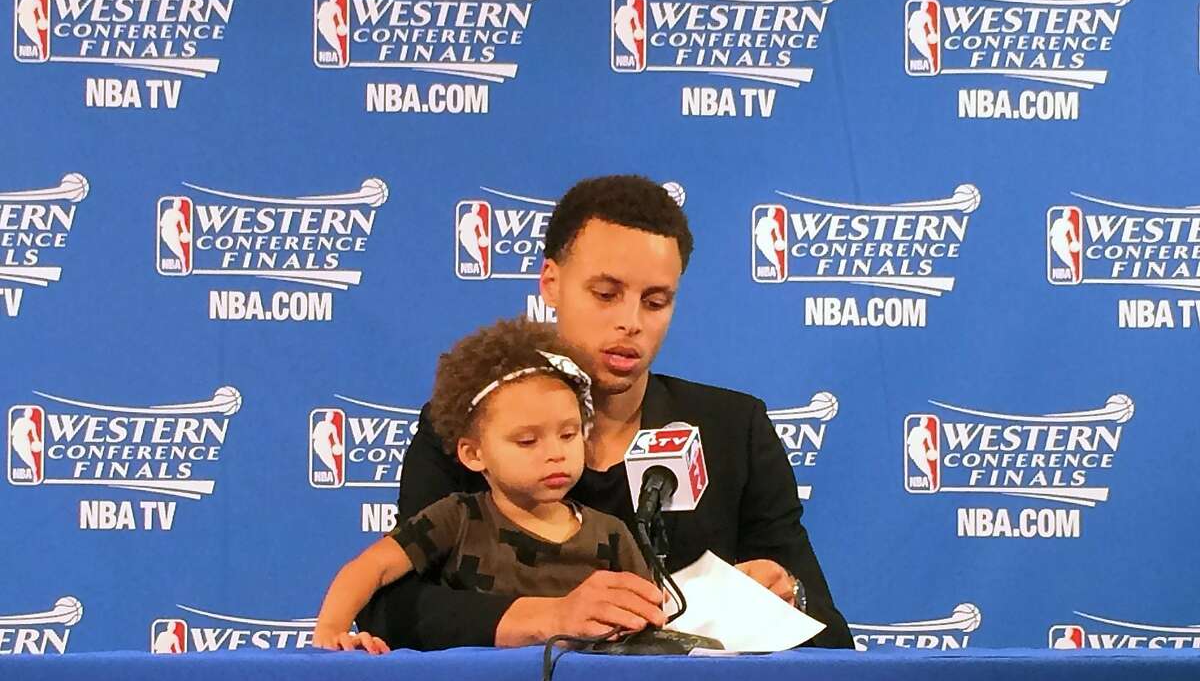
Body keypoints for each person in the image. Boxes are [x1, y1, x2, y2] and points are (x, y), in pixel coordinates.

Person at [355, 174, 853, 650]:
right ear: (550, 282)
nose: (630, 323)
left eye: (655, 302)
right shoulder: (469, 424)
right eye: (606, 294)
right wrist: (548, 618)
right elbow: (391, 607)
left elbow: (829, 635)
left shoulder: (732, 430)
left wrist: (788, 595)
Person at [314, 317, 652, 652]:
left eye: (568, 434)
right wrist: (331, 632)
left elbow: (647, 623)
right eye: (527, 440)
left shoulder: (612, 534)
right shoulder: (456, 518)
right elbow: (369, 569)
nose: (555, 453)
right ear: (474, 454)